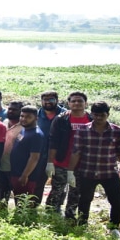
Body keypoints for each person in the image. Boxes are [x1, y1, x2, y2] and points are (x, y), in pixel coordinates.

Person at [69, 101, 120, 238]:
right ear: (92, 114)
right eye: (96, 115)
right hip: (87, 172)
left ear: (107, 115)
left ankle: (114, 227)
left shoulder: (116, 131)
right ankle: (82, 224)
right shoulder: (83, 130)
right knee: (84, 200)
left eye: (102, 115)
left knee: (116, 201)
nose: (98, 118)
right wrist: (70, 171)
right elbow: (76, 152)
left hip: (109, 172)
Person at [46, 91, 91, 220]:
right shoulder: (61, 119)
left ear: (85, 103)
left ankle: (70, 216)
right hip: (61, 162)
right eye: (73, 101)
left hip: (82, 164)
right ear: (69, 103)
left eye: (80, 101)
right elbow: (53, 141)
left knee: (75, 192)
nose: (77, 103)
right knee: (57, 190)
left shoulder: (91, 119)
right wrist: (50, 162)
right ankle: (51, 214)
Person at [10, 105, 46, 207]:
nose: (23, 119)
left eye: (28, 117)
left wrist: (25, 175)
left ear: (36, 118)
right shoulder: (23, 129)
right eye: (22, 116)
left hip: (27, 176)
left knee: (25, 203)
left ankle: (25, 222)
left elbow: (34, 157)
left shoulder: (37, 135)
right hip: (16, 172)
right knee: (18, 201)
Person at [33, 90, 65, 206]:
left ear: (57, 100)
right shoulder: (35, 115)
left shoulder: (65, 115)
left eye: (51, 99)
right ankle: (34, 206)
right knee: (38, 182)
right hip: (40, 155)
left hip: (61, 155)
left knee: (60, 184)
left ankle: (54, 207)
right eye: (45, 99)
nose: (48, 102)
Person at [0, 101, 23, 204]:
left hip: (15, 166)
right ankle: (0, 213)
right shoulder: (5, 122)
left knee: (18, 193)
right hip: (1, 162)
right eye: (10, 109)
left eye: (15, 110)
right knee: (1, 191)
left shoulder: (24, 127)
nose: (11, 111)